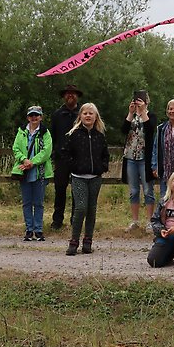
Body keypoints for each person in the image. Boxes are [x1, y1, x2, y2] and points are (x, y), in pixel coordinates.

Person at [61, 103, 110, 255]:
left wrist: (102, 167)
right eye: (85, 113)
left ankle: (88, 240)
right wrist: (74, 166)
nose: (88, 116)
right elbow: (64, 154)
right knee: (80, 207)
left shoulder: (100, 136)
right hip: (78, 177)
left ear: (96, 117)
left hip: (95, 177)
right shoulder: (73, 135)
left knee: (91, 209)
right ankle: (74, 240)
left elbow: (105, 155)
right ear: (80, 116)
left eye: (91, 114)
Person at [12, 105, 53, 242]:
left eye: (36, 115)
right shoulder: (21, 131)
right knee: (27, 202)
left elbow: (46, 151)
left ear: (41, 117)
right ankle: (29, 229)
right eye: (31, 115)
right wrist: (24, 159)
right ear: (28, 117)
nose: (34, 118)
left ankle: (39, 229)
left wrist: (32, 162)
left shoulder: (45, 133)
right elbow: (16, 148)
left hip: (39, 172)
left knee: (39, 202)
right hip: (24, 172)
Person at [121, 91, 157, 231]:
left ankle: (150, 221)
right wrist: (130, 113)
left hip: (145, 158)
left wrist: (143, 112)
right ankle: (135, 220)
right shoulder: (131, 117)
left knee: (148, 190)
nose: (138, 104)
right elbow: (123, 130)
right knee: (133, 191)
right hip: (130, 157)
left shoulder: (150, 116)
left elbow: (150, 129)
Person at [50, 84, 82, 230]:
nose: (71, 96)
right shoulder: (57, 114)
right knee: (60, 189)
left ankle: (75, 220)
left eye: (73, 93)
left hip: (78, 157)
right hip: (61, 157)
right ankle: (57, 220)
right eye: (68, 93)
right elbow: (53, 136)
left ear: (77, 96)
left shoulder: (83, 113)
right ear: (64, 96)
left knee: (78, 190)